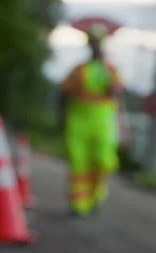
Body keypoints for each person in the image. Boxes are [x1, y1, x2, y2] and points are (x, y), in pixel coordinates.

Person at [59, 23, 125, 218]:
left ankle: (96, 192)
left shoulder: (111, 70)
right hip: (78, 123)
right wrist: (61, 120)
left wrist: (112, 86)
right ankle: (79, 204)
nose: (96, 46)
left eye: (99, 42)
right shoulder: (78, 70)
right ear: (89, 44)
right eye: (93, 42)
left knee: (105, 161)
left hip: (103, 123)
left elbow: (119, 95)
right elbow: (63, 95)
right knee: (79, 164)